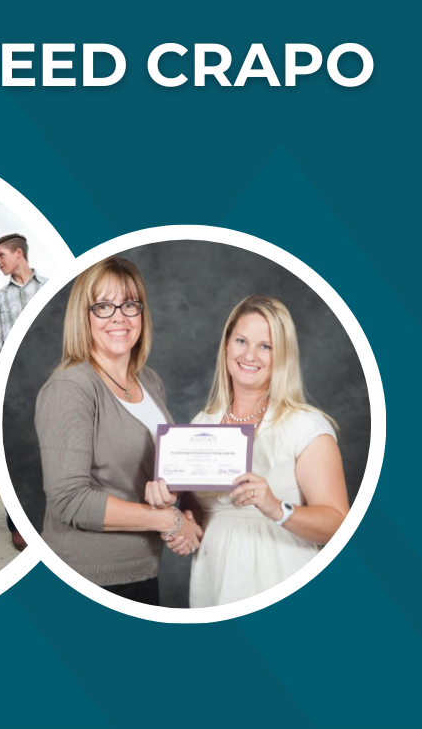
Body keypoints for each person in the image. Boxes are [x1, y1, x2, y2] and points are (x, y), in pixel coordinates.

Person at [162, 295, 350, 608]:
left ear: (283, 356)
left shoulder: (305, 425)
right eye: (241, 341)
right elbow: (198, 513)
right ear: (226, 346)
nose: (250, 355)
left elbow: (338, 524)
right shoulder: (202, 423)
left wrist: (276, 507)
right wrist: (183, 528)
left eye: (266, 346)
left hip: (282, 578)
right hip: (213, 581)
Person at [34, 257, 201, 606]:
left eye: (129, 304)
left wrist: (175, 505)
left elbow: (150, 475)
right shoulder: (71, 386)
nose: (119, 318)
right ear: (84, 316)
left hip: (142, 571)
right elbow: (69, 500)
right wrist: (166, 520)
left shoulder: (149, 381)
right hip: (89, 577)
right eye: (103, 306)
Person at [0, 233, 49, 551]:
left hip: (51, 382)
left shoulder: (51, 289)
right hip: (14, 387)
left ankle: (50, 522)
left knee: (50, 453)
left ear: (19, 253)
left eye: (1, 255)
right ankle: (20, 525)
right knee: (16, 456)